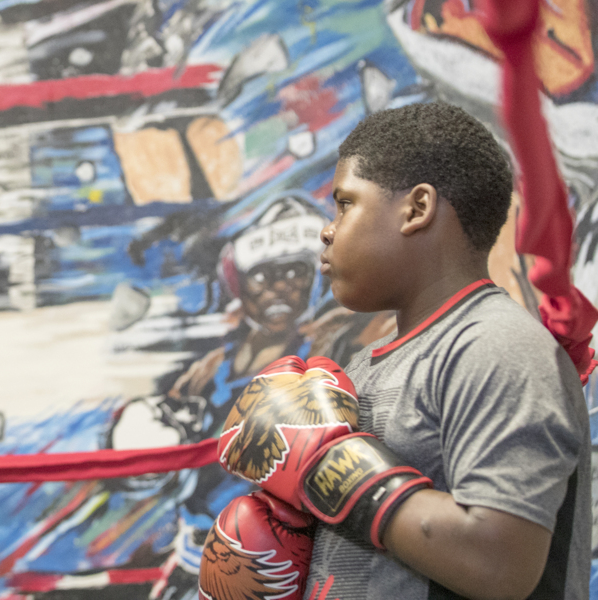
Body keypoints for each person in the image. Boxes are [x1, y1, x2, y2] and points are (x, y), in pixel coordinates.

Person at [210, 101, 590, 600]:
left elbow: (499, 563)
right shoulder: (362, 369)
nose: (327, 229)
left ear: (416, 209)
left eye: (345, 204)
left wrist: (329, 470)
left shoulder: (498, 346)